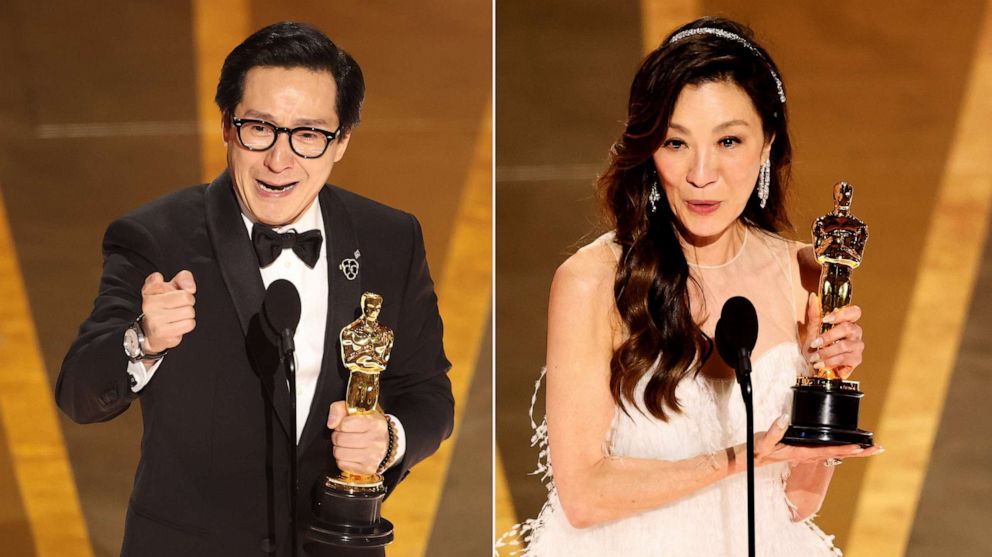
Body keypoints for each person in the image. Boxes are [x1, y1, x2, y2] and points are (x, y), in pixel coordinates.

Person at [56, 21, 453, 557]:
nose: (279, 160)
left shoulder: (390, 239)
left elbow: (428, 394)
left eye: (309, 135)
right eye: (259, 128)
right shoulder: (155, 237)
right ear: (226, 125)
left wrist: (390, 440)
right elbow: (80, 394)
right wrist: (142, 340)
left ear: (342, 143)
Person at [511, 17, 882, 556]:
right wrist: (739, 458)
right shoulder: (593, 281)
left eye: (728, 140)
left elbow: (797, 504)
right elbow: (584, 495)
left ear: (767, 145)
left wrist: (826, 386)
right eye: (675, 142)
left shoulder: (805, 274)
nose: (701, 173)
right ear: (648, 149)